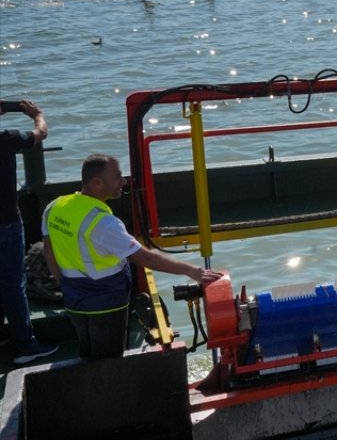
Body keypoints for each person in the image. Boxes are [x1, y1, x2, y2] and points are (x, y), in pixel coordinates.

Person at [42, 154, 223, 359]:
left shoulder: (55, 207)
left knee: (87, 352)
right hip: (106, 304)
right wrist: (192, 271)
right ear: (96, 183)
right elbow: (146, 259)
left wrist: (64, 284)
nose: (124, 181)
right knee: (108, 362)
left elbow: (48, 251)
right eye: (117, 176)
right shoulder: (103, 224)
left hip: (74, 299)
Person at [0, 99, 59, 365]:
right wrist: (37, 114)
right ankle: (25, 344)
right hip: (6, 223)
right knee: (14, 283)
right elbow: (41, 133)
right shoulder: (7, 139)